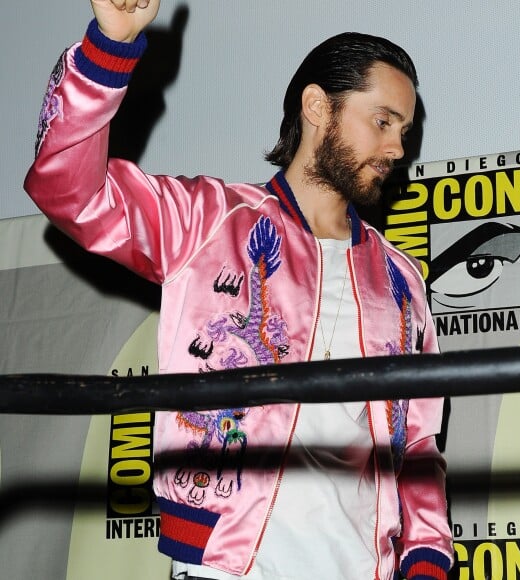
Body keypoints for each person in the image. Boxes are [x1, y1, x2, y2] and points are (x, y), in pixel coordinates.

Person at [24, 1, 454, 578]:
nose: (399, 148)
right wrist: (109, 45)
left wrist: (426, 561)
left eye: (403, 129)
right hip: (227, 567)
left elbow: (419, 446)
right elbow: (69, 191)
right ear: (316, 107)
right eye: (382, 122)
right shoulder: (207, 220)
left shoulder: (400, 279)